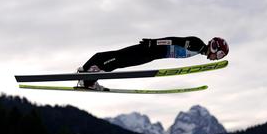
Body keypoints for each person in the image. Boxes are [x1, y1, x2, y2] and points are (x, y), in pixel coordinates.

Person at [77, 36, 229, 90]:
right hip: (150, 50)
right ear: (214, 47)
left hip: (152, 54)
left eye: (221, 57)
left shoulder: (197, 49)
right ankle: (86, 75)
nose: (217, 58)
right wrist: (153, 42)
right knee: (119, 59)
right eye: (220, 54)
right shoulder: (197, 44)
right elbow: (174, 40)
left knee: (119, 60)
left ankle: (88, 78)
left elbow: (174, 43)